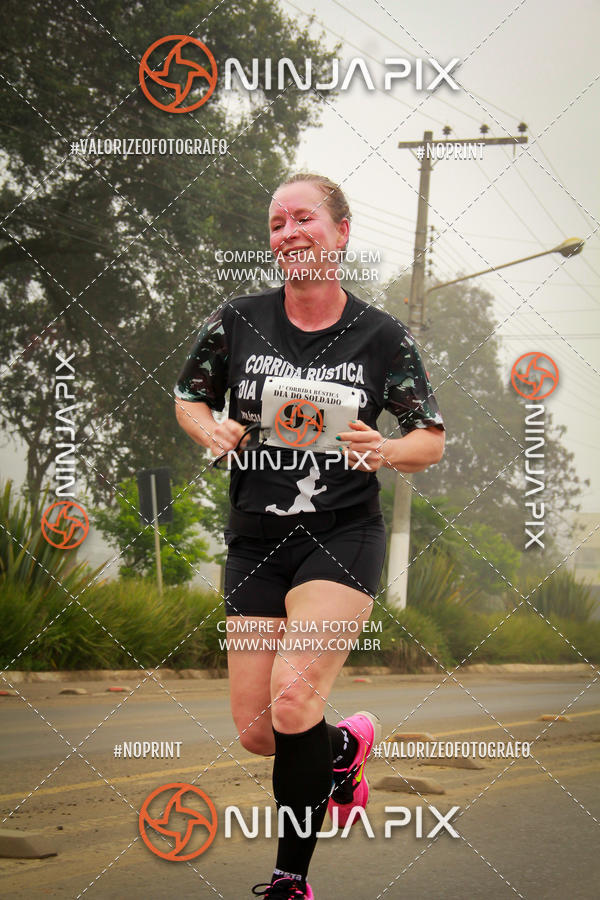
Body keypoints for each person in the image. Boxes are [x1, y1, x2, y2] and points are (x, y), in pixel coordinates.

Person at [174, 173, 445, 899]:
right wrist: (213, 428)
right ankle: (345, 745)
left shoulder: (383, 335)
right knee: (260, 731)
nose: (289, 234)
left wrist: (381, 449)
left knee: (294, 700)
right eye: (277, 224)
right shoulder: (239, 319)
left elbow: (430, 439)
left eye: (304, 220)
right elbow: (188, 396)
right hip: (255, 539)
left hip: (341, 535)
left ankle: (290, 880)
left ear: (341, 233)